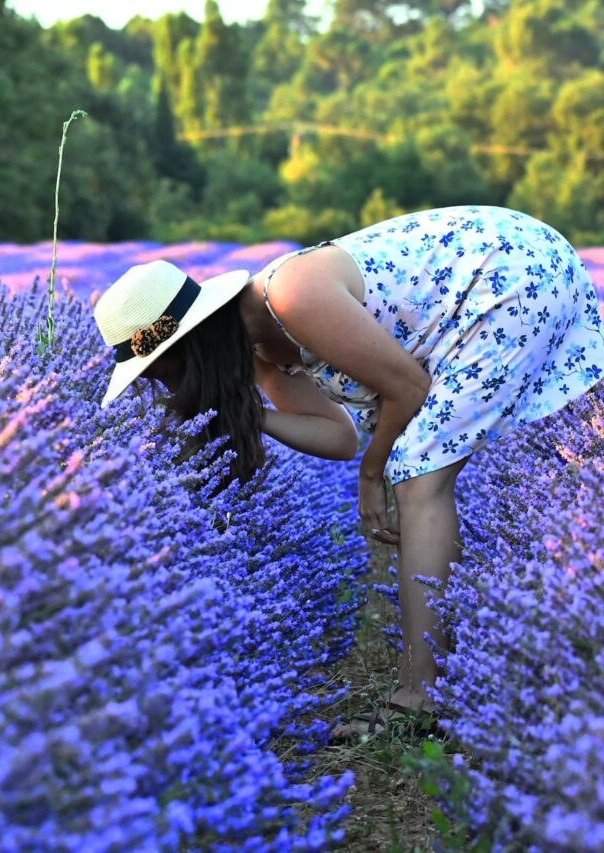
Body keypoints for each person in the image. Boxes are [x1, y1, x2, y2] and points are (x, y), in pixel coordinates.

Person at [93, 204, 604, 738]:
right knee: (417, 470)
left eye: (163, 371)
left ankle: (420, 701)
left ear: (189, 347)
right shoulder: (262, 348)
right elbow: (337, 434)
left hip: (512, 274)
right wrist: (254, 417)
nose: (168, 389)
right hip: (494, 280)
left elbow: (407, 389)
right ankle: (439, 682)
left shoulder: (291, 299)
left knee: (417, 477)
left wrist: (371, 476)